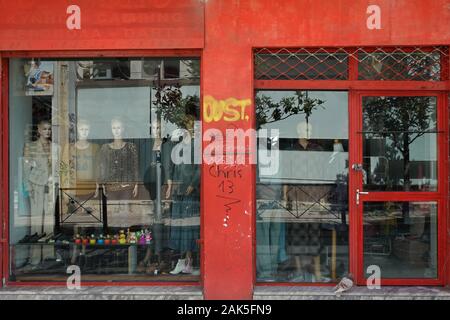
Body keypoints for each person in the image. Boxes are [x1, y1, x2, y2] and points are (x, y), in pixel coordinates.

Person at [23, 119, 59, 266]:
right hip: (36, 185)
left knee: (50, 220)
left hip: (51, 186)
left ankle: (48, 256)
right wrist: (28, 187)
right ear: (38, 130)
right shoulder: (30, 147)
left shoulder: (56, 147)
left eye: (49, 129)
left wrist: (58, 181)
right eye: (44, 129)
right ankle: (35, 257)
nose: (48, 131)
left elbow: (60, 166)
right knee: (37, 221)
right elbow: (26, 169)